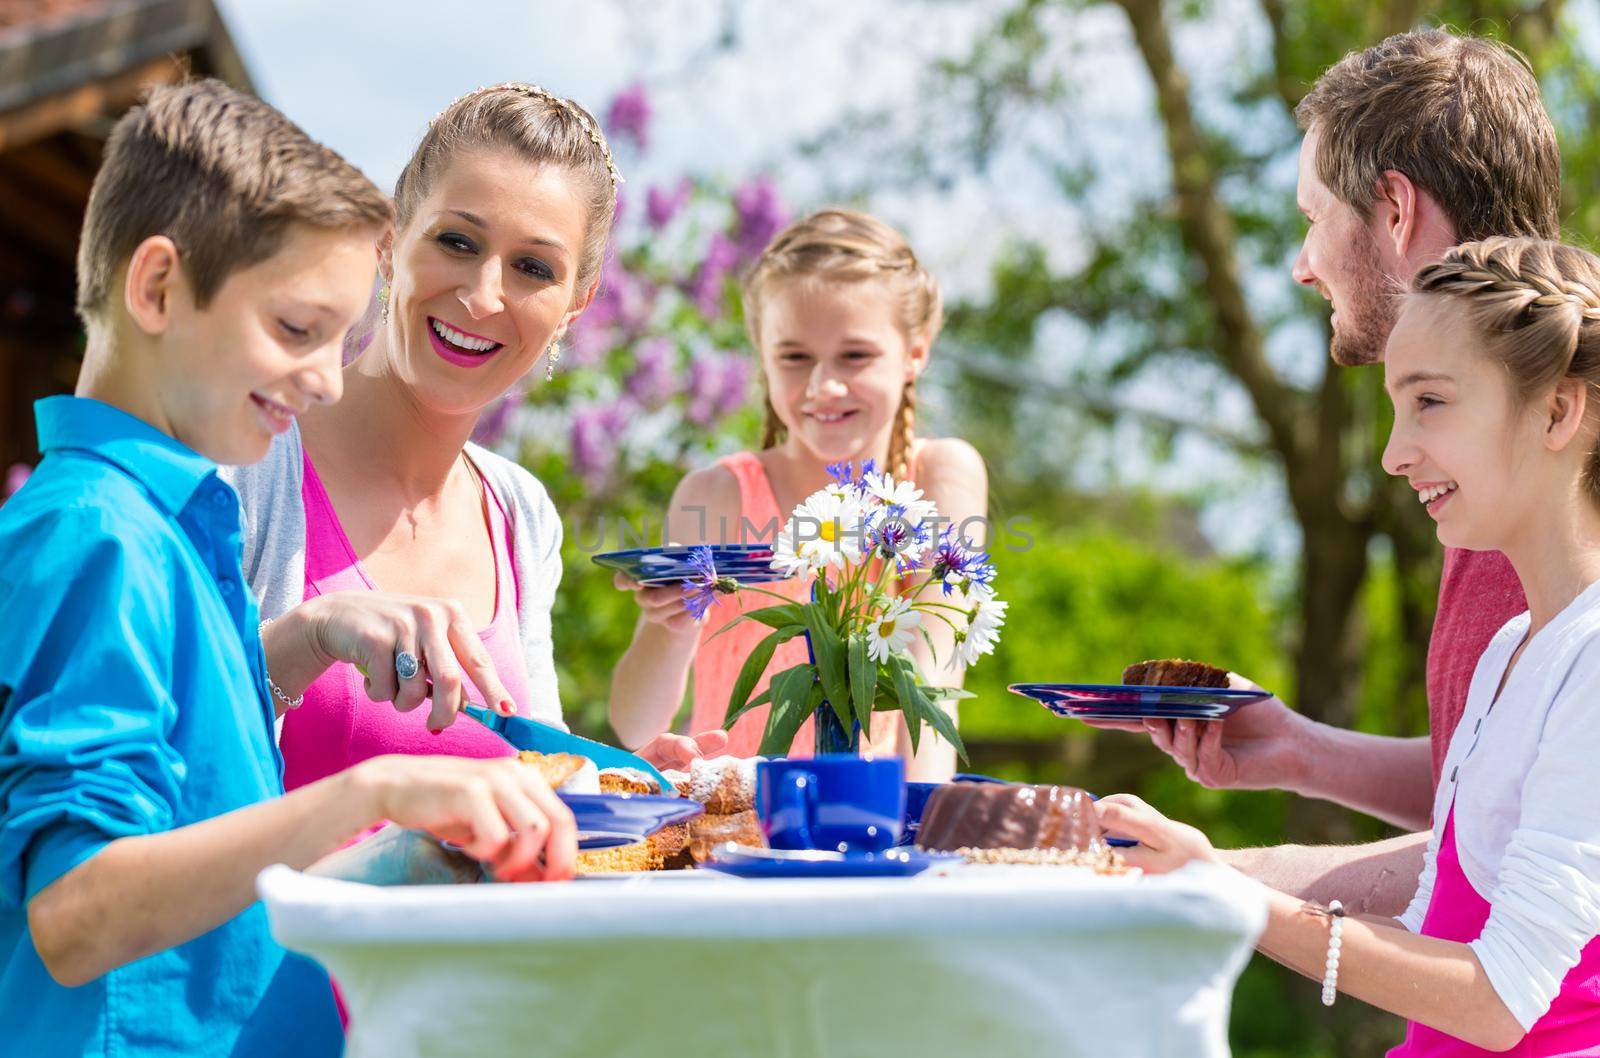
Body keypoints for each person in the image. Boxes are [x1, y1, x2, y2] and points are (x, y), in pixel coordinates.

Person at [0, 81, 576, 1058]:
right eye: (299, 330)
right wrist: (371, 792)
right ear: (156, 289)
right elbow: (75, 910)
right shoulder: (98, 536)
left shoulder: (177, 524)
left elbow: (220, 849)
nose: (328, 377)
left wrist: (408, 850)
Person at [1104, 236, 1600, 1054]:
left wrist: (1227, 892)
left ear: (1556, 410)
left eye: (1430, 403)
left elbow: (1501, 1000)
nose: (1394, 453)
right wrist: (1189, 867)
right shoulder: (1515, 647)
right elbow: (1441, 900)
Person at [1109, 29, 1558, 914]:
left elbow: (1527, 851)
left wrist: (1214, 876)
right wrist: (1299, 748)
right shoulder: (1481, 465)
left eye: (1315, 217)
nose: (1301, 264)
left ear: (1393, 209)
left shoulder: (1553, 470)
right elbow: (1503, 782)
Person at [224, 83, 726, 785]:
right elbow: (154, 735)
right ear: (390, 239)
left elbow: (530, 763)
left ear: (576, 306)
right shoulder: (244, 461)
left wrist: (615, 781)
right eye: (457, 241)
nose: (484, 295)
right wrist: (307, 636)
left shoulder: (520, 513)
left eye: (533, 268)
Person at [608, 208, 988, 780]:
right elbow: (635, 726)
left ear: (915, 353)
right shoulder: (716, 495)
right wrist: (674, 624)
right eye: (794, 357)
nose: (823, 386)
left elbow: (935, 679)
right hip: (732, 831)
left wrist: (916, 822)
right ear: (763, 356)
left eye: (855, 356)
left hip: (874, 823)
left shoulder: (941, 477)